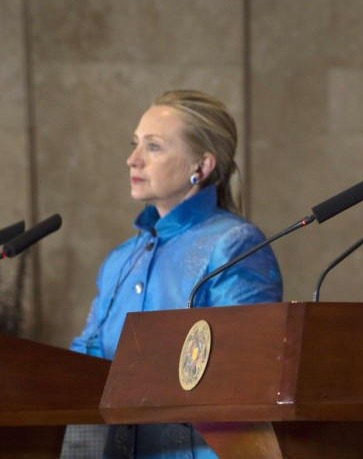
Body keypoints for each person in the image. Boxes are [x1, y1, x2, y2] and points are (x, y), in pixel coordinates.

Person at [69, 90, 283, 458]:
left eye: (153, 147)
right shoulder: (121, 259)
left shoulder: (233, 245)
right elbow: (83, 364)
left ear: (201, 166)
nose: (132, 160)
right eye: (135, 144)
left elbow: (242, 377)